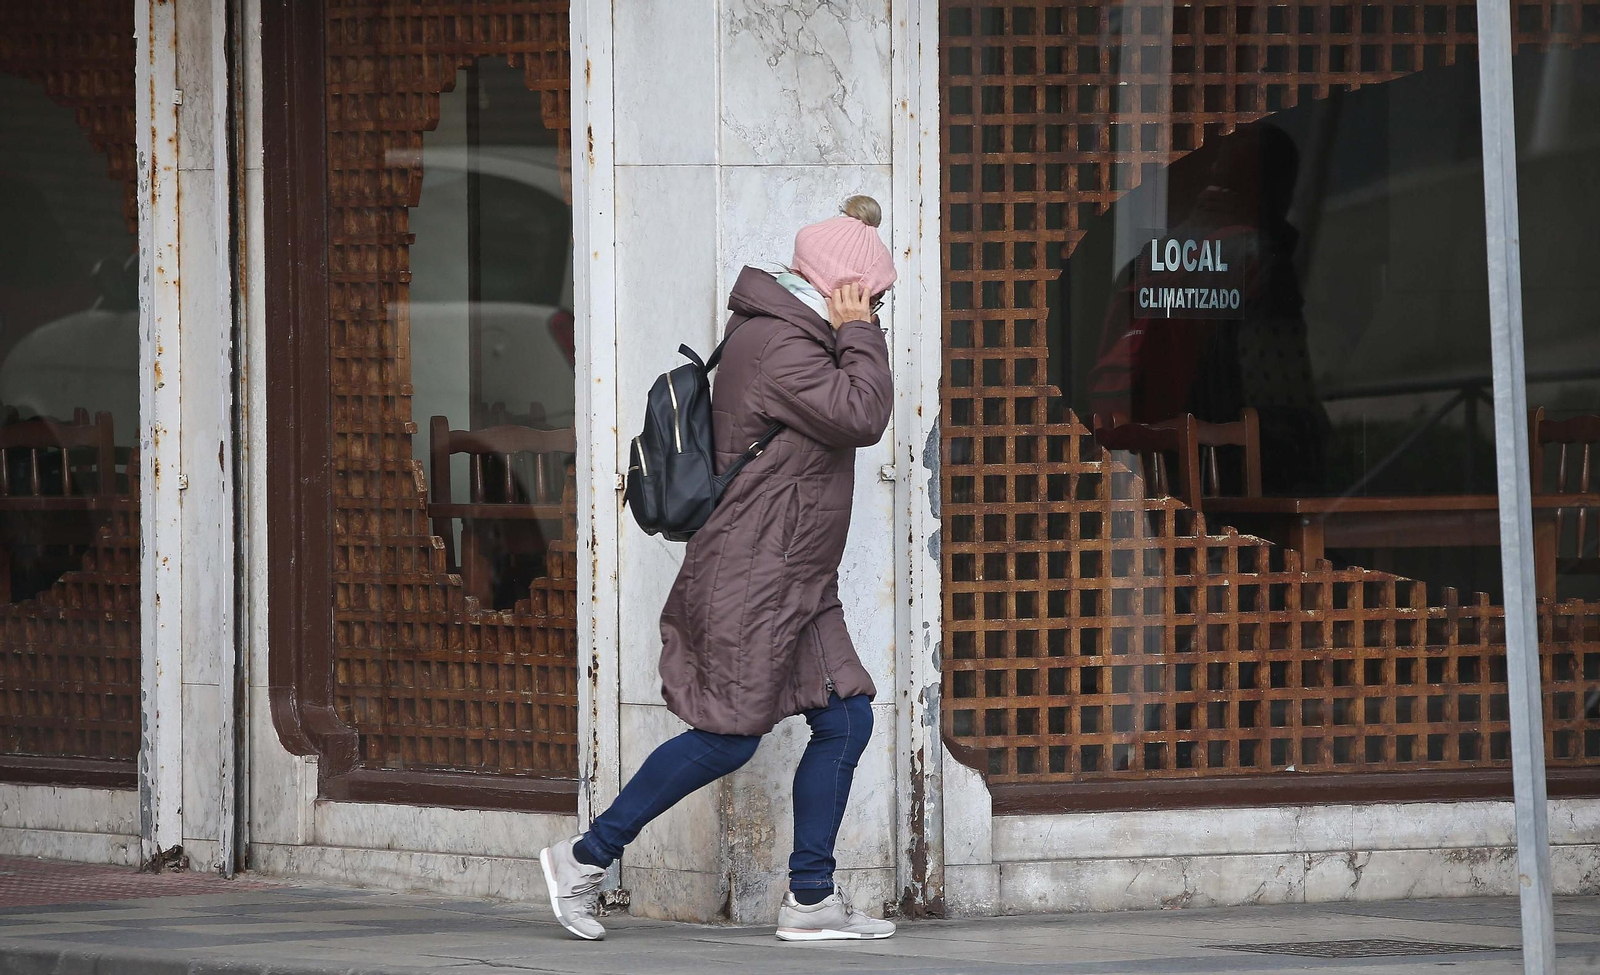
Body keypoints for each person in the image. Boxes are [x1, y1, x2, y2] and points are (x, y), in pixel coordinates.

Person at [540, 196, 897, 943]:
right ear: (842, 290)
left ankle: (811, 897)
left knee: (846, 715)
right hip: (755, 573)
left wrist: (852, 327)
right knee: (729, 734)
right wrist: (859, 329)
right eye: (874, 298)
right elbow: (862, 414)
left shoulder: (795, 334)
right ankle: (583, 859)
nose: (878, 313)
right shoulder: (784, 347)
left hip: (793, 571)